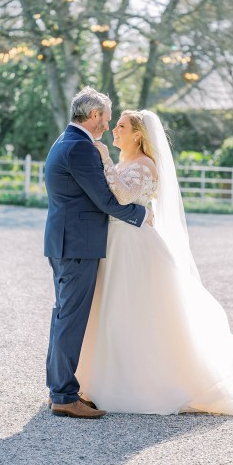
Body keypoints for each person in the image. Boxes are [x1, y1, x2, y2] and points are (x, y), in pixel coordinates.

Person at [76, 109, 233, 416]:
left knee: (134, 310)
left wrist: (104, 158)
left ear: (138, 134)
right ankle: (104, 380)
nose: (114, 131)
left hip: (136, 246)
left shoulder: (146, 165)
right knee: (110, 310)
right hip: (115, 242)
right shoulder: (126, 162)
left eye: (121, 126)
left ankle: (142, 385)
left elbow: (124, 196)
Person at [44, 88, 152, 419]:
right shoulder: (80, 148)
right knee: (70, 318)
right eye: (105, 118)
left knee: (64, 315)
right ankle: (63, 394)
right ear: (93, 116)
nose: (106, 125)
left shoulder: (65, 141)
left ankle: (59, 390)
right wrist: (143, 216)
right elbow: (105, 200)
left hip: (67, 242)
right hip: (76, 246)